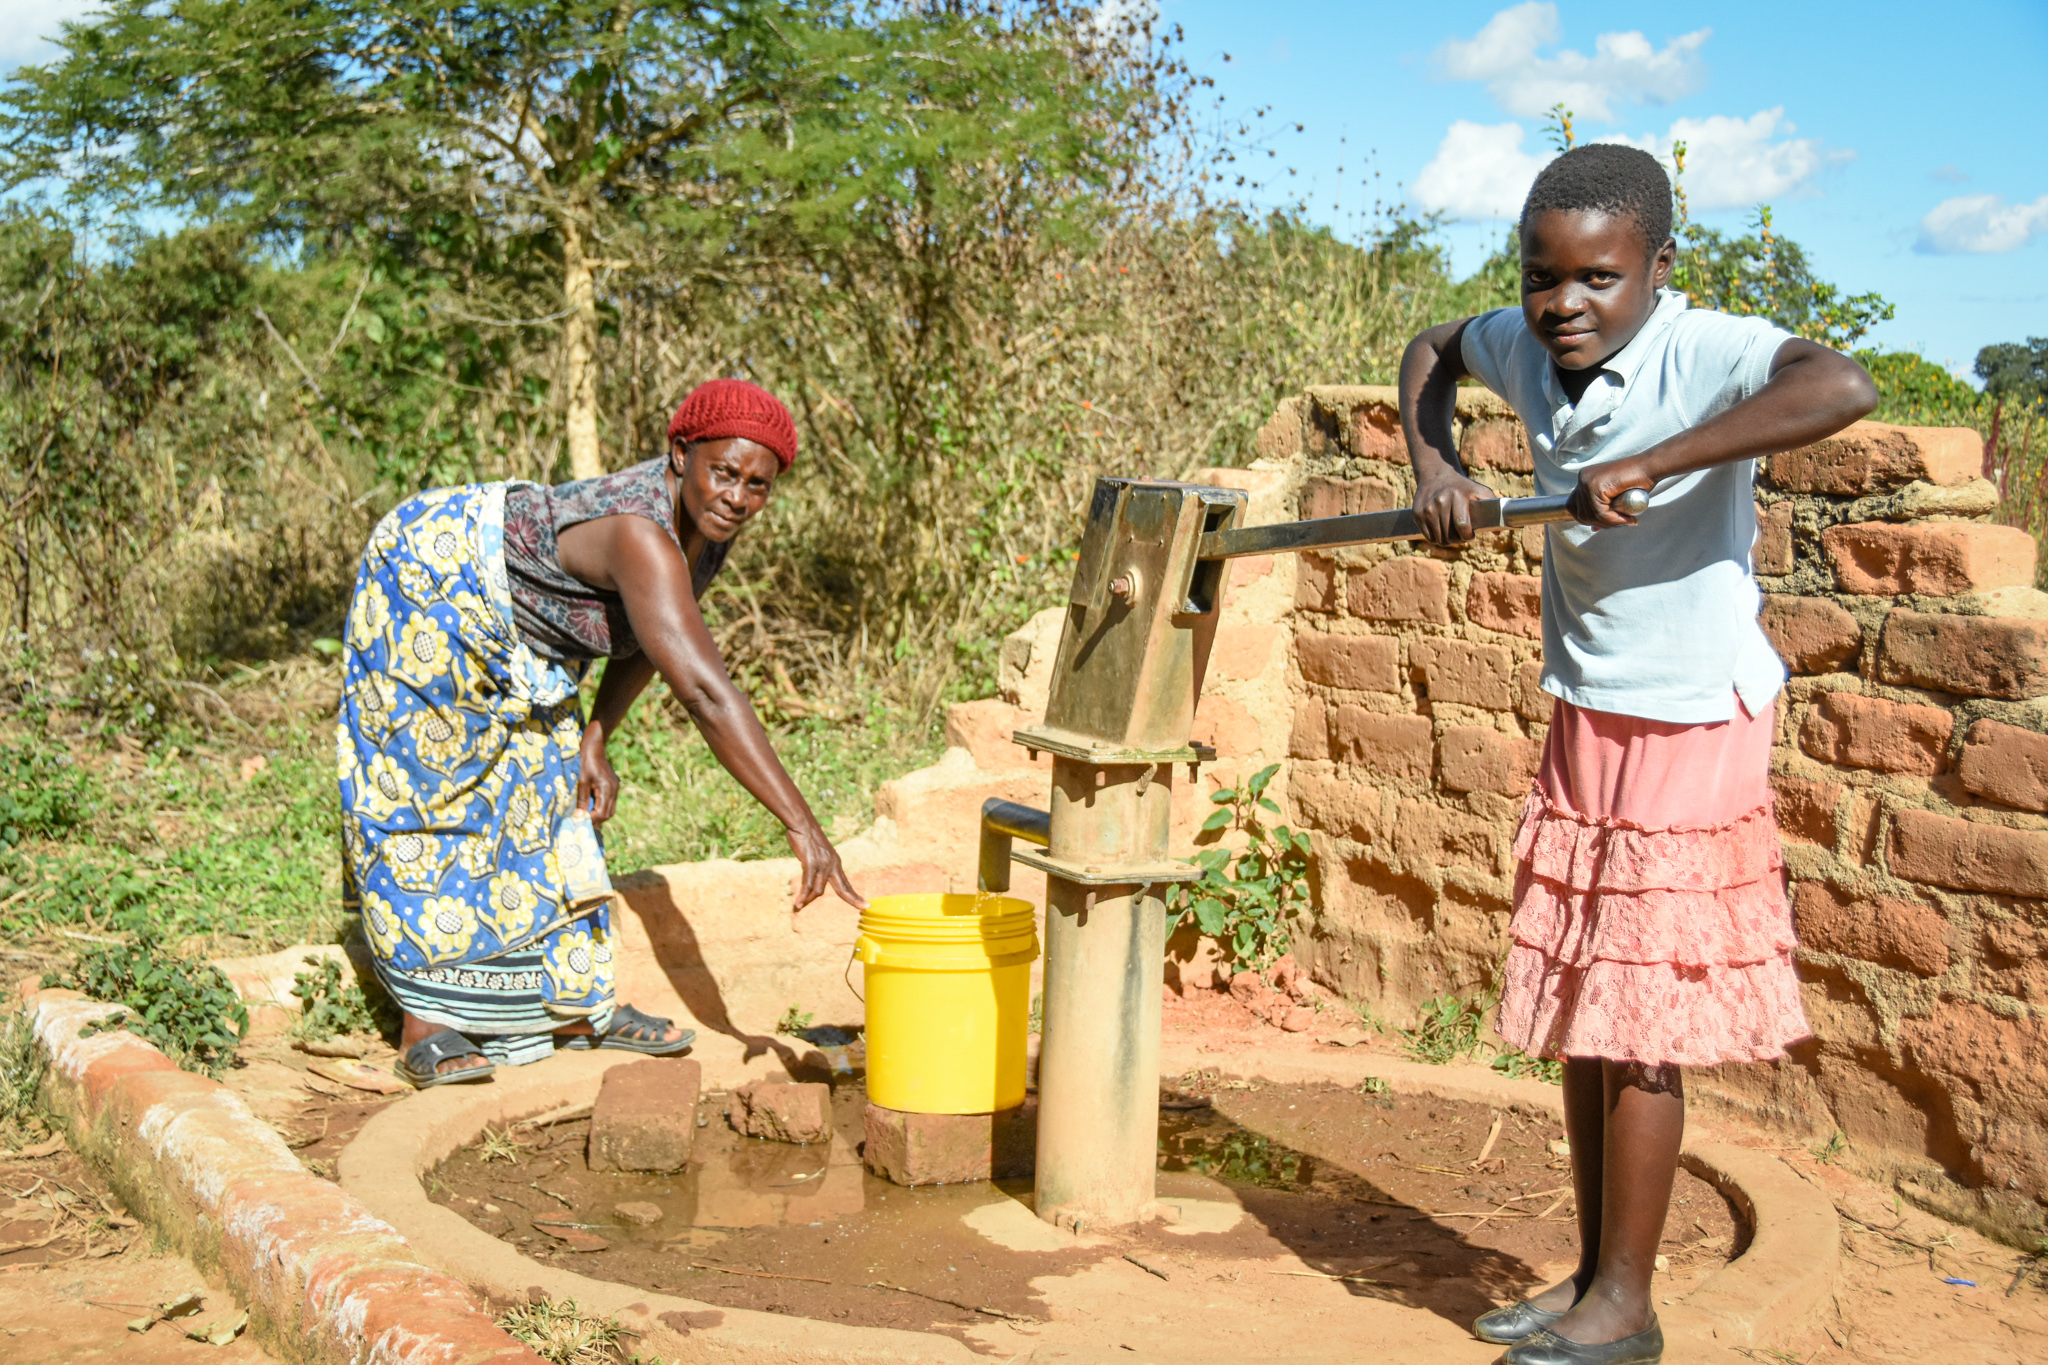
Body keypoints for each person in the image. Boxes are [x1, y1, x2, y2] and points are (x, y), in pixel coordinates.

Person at [1398, 144, 1876, 1365]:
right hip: (1588, 704)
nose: (1565, 305)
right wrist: (1435, 463)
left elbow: (1843, 387)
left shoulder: (1700, 347)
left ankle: (1628, 1304)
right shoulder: (1522, 340)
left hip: (1690, 715)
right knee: (1581, 1002)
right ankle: (1588, 1279)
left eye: (1600, 280)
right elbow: (1431, 351)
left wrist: (1659, 462)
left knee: (1640, 1011)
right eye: (1542, 278)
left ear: (1657, 270)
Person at [336, 378, 866, 1089]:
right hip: (430, 579)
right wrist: (803, 826)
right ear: (682, 455)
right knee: (434, 794)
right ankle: (427, 1025)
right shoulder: (640, 532)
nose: (738, 496)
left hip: (512, 632)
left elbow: (648, 640)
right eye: (725, 472)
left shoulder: (701, 534)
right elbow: (705, 690)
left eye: (758, 485)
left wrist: (596, 734)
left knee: (550, 791)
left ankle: (568, 1006)